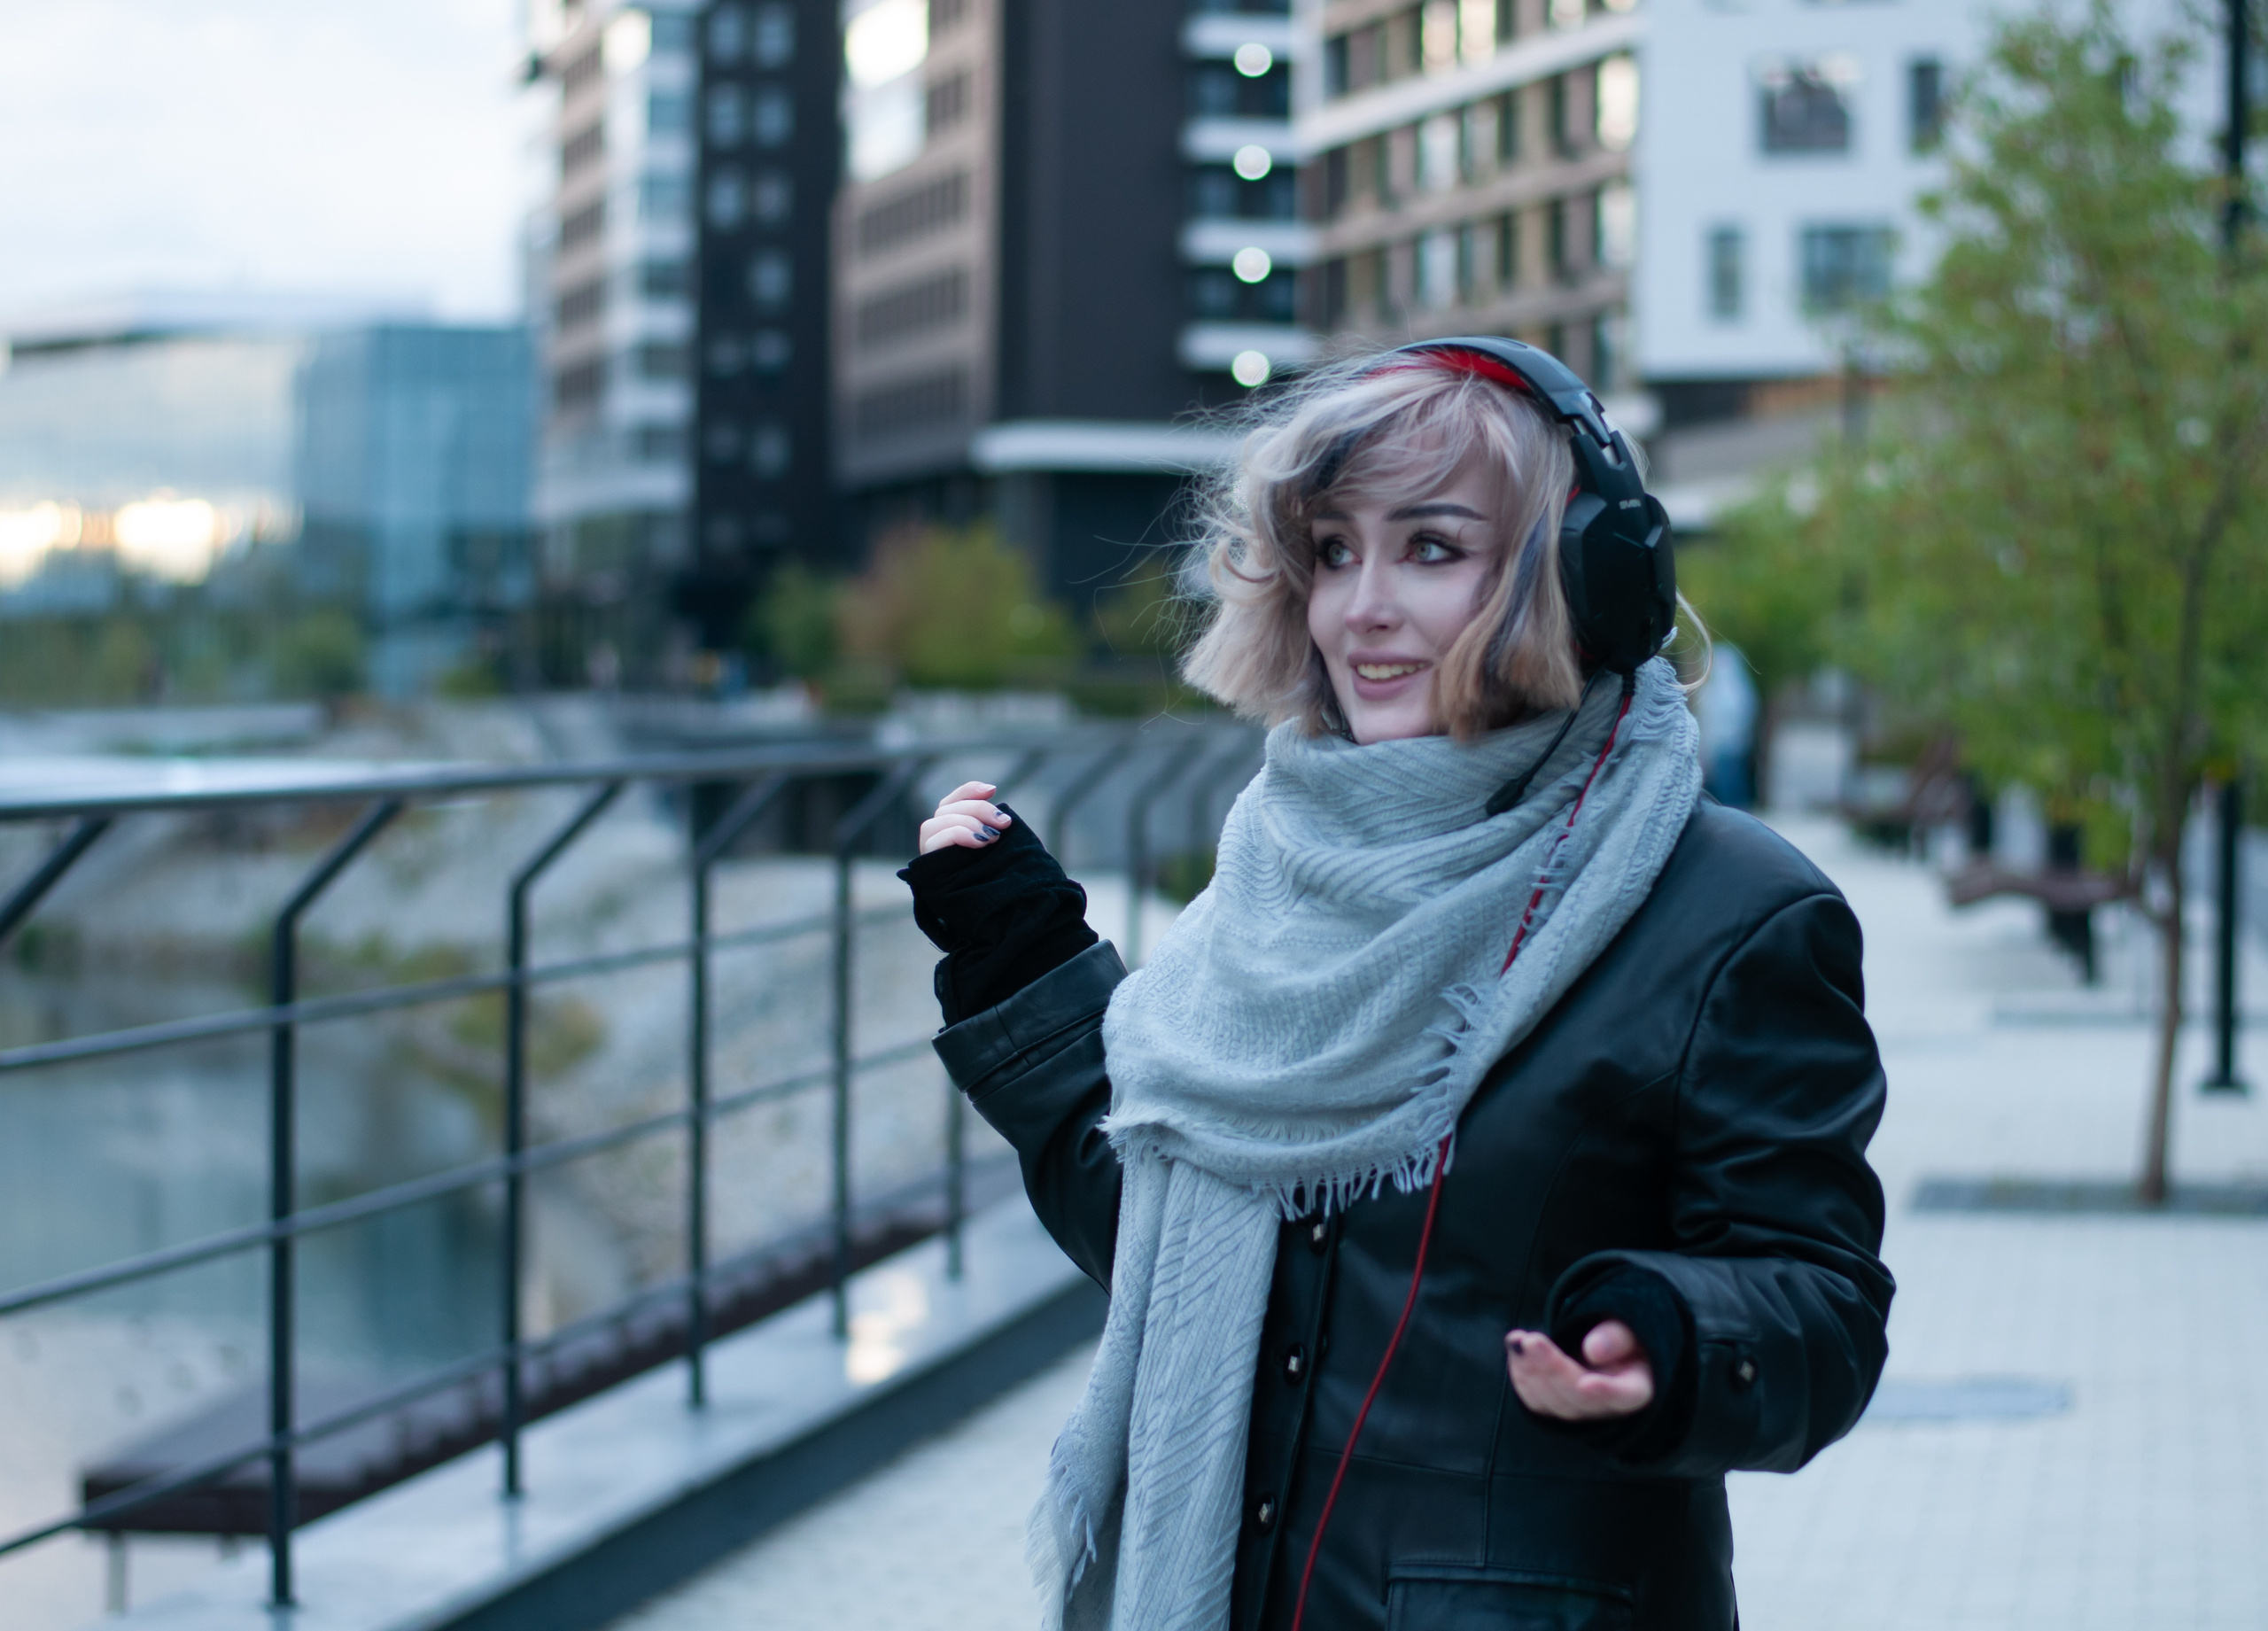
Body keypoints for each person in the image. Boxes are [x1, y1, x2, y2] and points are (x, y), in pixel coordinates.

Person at [900, 342, 1891, 1631]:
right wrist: (1020, 963)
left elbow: (1822, 1304)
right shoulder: (1278, 875)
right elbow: (1161, 1223)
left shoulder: (1732, 912)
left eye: (1431, 548)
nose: (1362, 606)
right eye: (1333, 550)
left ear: (1583, 575)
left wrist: (1678, 1334)